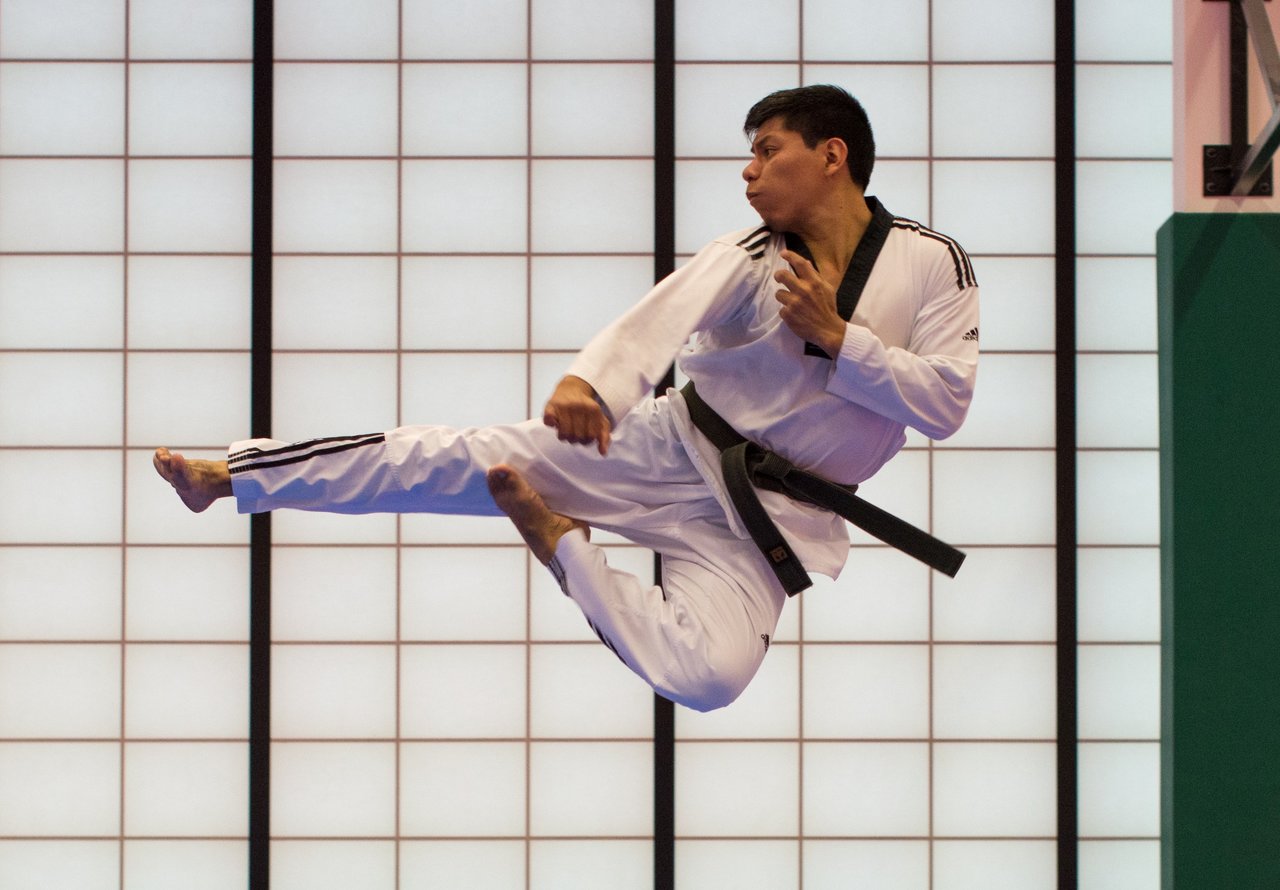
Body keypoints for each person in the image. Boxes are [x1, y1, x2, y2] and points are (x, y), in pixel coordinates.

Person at [154, 85, 979, 712]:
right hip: (669, 447)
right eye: (750, 154)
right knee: (452, 460)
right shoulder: (750, 255)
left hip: (771, 516)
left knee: (709, 678)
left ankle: (562, 546)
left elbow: (945, 403)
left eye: (768, 150)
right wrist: (592, 384)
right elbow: (658, 322)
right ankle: (234, 475)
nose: (748, 169)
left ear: (832, 155)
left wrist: (839, 338)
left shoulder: (931, 263)